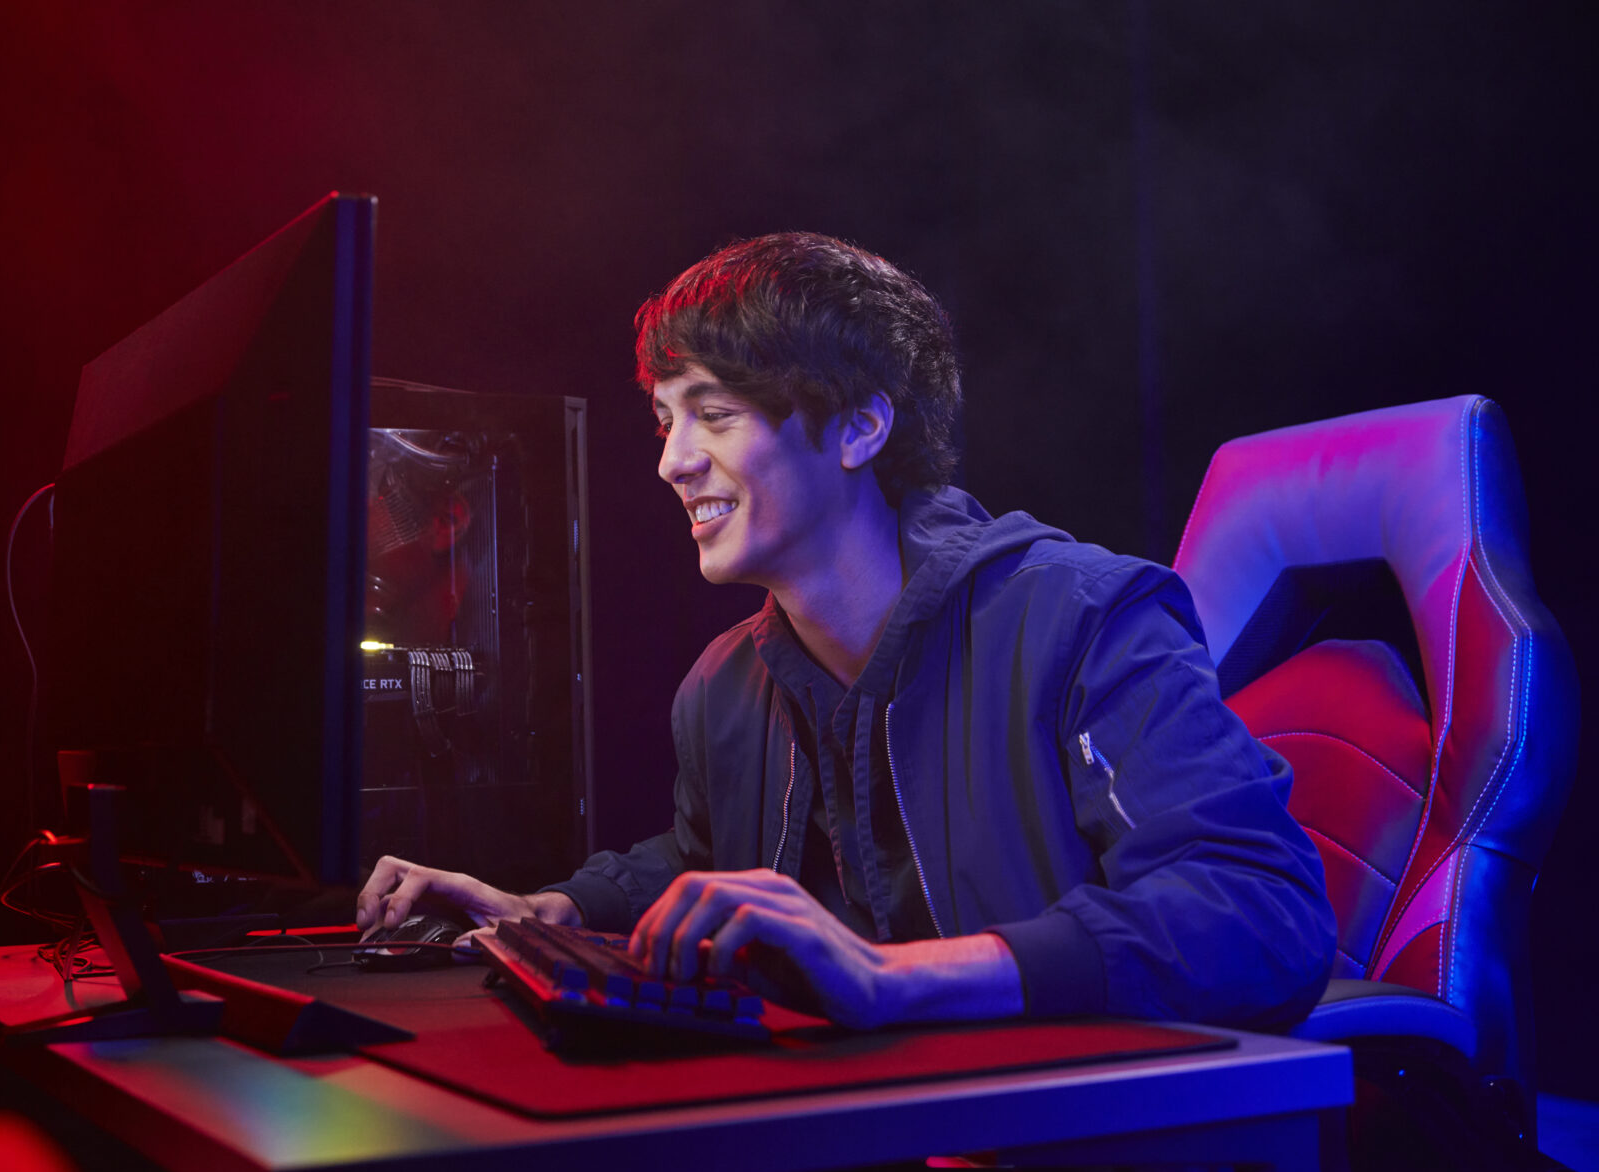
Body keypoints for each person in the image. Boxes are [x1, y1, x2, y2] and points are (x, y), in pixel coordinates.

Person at [354, 231, 1335, 1036]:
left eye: (714, 414)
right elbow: (702, 864)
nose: (672, 462)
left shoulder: (1085, 618)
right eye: (664, 421)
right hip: (855, 1156)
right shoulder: (723, 686)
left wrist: (890, 977)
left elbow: (1260, 911)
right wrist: (552, 911)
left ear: (861, 429)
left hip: (1062, 1165)